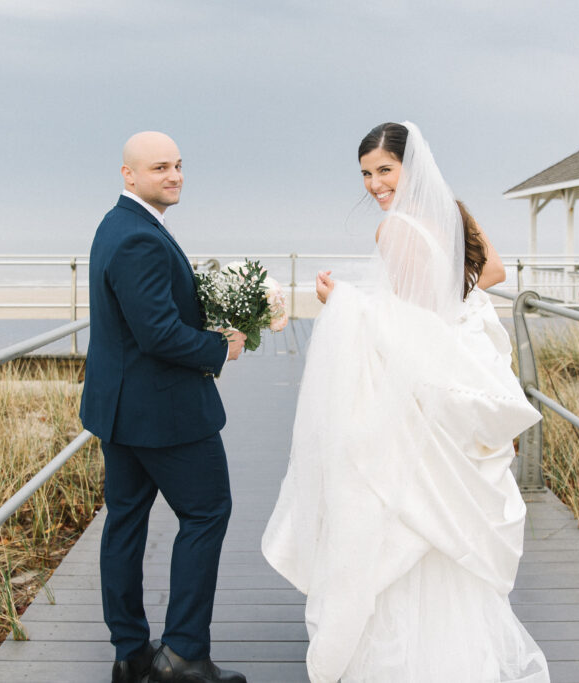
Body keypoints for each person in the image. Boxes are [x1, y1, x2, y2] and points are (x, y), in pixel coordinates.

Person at [262, 122, 550, 682]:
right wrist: (449, 297)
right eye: (366, 174)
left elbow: (408, 321)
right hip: (449, 372)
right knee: (439, 520)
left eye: (384, 170)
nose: (374, 184)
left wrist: (342, 299)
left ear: (409, 168)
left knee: (398, 508)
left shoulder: (393, 230)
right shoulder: (454, 213)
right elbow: (490, 272)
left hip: (418, 388)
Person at [80, 131, 248, 683]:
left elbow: (139, 323)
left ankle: (131, 653)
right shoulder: (139, 238)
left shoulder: (117, 225)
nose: (174, 175)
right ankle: (184, 655)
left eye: (178, 165)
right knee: (206, 514)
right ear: (128, 175)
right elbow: (156, 334)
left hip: (122, 409)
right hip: (164, 414)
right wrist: (219, 346)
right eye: (159, 168)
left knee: (125, 524)